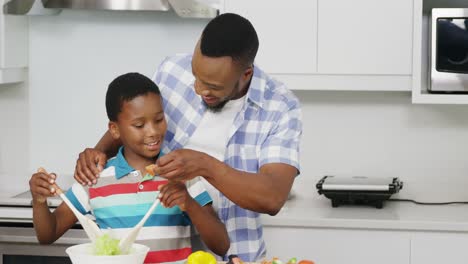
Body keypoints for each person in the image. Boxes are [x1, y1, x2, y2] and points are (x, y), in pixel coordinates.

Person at [74, 13, 302, 261]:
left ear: (246, 74)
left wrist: (204, 165)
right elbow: (135, 121)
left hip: (237, 256)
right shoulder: (172, 70)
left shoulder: (280, 106)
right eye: (195, 75)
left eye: (213, 86)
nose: (199, 89)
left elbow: (272, 197)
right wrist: (98, 152)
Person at [29, 72, 229, 263]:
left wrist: (189, 204)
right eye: (139, 125)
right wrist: (39, 201)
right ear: (115, 130)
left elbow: (221, 245)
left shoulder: (182, 174)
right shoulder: (95, 179)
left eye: (159, 120)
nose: (153, 132)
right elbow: (48, 234)